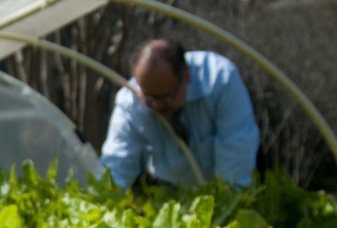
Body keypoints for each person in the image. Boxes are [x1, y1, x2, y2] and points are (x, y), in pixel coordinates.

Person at [97, 39, 260, 190]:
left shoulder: (219, 80)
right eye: (149, 97)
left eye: (166, 96)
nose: (157, 105)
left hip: (225, 181)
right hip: (170, 190)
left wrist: (228, 202)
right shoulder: (130, 102)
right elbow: (115, 167)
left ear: (187, 76)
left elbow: (236, 156)